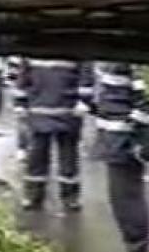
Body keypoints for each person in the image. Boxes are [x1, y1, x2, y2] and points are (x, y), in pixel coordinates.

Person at [91, 61, 149, 252]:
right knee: (119, 201)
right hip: (115, 141)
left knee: (128, 201)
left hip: (126, 144)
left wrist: (128, 136)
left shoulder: (136, 62)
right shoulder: (116, 60)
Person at [14, 58, 94, 212]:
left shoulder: (75, 50)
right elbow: (23, 77)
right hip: (42, 112)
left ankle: (69, 197)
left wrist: (84, 101)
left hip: (67, 112)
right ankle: (34, 196)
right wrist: (20, 103)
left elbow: (86, 76)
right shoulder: (33, 51)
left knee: (68, 158)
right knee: (36, 158)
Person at [3, 56, 29, 162]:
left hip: (30, 92)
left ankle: (24, 149)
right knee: (24, 122)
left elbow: (9, 77)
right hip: (26, 93)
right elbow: (10, 76)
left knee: (24, 122)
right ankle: (23, 148)